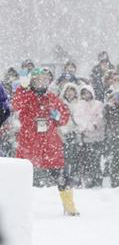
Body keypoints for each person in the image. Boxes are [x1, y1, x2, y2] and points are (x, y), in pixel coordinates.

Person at [11, 68, 79, 215]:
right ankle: (16, 208)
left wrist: (58, 116)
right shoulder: (27, 96)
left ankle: (69, 206)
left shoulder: (53, 98)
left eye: (44, 79)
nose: (41, 82)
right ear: (32, 81)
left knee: (62, 177)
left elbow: (64, 117)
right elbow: (16, 104)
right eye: (37, 79)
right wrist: (22, 88)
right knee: (20, 178)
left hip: (50, 145)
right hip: (28, 144)